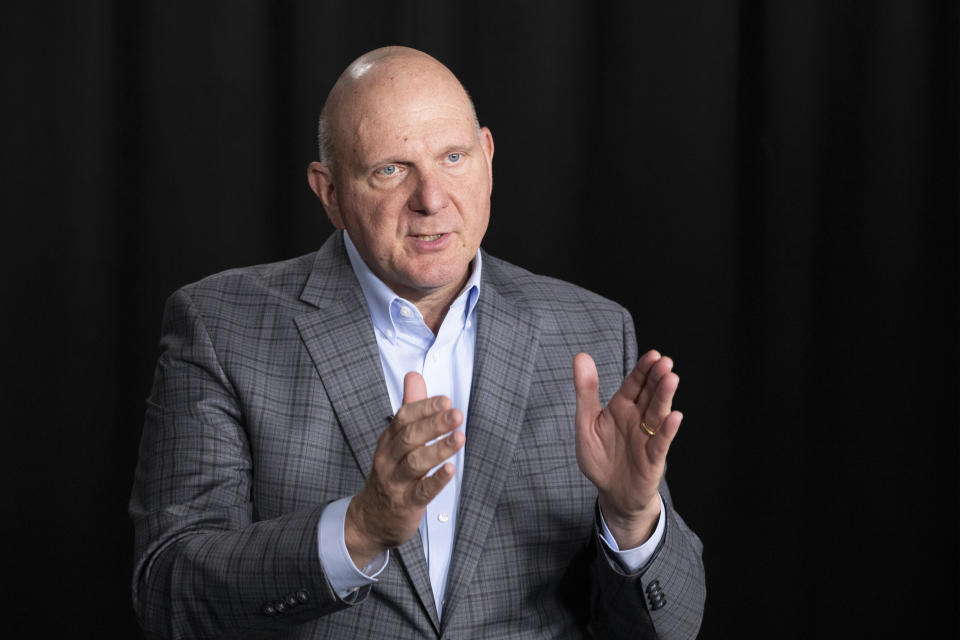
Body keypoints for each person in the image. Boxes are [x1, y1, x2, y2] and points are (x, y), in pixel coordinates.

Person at [129, 46, 705, 639]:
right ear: (328, 192)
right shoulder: (222, 327)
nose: (431, 198)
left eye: (452, 157)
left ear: (486, 156)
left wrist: (634, 521)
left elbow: (672, 628)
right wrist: (357, 531)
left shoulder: (592, 329)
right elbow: (168, 593)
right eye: (390, 169)